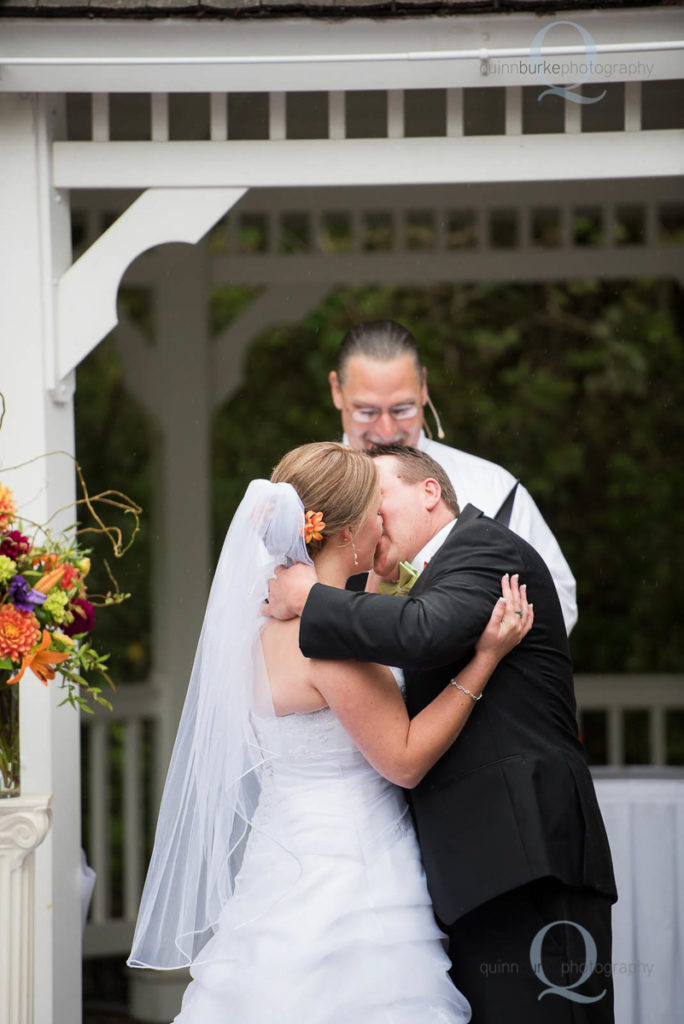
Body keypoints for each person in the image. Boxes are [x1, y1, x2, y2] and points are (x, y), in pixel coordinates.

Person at [127, 442, 532, 1023]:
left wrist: (370, 593)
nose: (383, 519)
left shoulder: (259, 629)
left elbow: (340, 682)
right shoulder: (327, 643)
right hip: (353, 876)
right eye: (376, 507)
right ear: (346, 532)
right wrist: (485, 659)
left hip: (281, 859)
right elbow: (404, 757)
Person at [265, 444, 617, 1024]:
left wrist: (308, 596)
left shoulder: (483, 549)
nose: (372, 517)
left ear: (430, 492)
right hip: (475, 869)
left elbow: (423, 632)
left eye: (379, 499)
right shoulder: (412, 581)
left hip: (527, 856)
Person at [329, 320, 578, 632]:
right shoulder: (301, 493)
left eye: (402, 409)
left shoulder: (494, 489)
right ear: (337, 391)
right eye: (367, 412)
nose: (386, 431)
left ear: (423, 387)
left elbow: (557, 602)